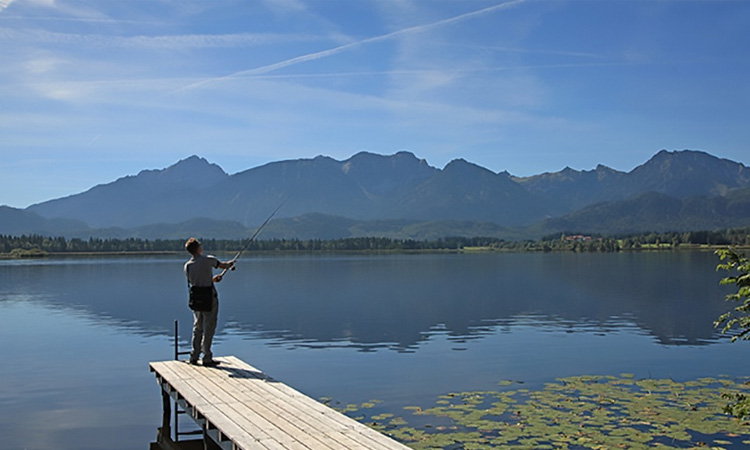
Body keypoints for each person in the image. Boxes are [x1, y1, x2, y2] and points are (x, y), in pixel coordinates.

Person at [184, 237, 234, 366]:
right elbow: (224, 265)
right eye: (200, 245)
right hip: (209, 298)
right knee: (209, 327)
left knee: (197, 328)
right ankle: (207, 357)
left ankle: (194, 356)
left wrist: (212, 280)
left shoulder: (187, 266)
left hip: (196, 299)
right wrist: (231, 264)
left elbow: (195, 282)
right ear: (198, 248)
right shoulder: (208, 260)